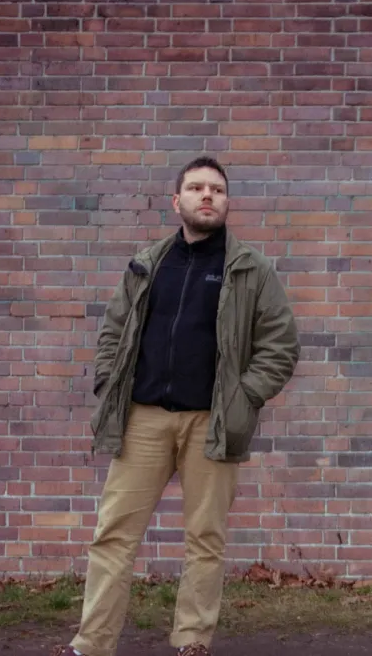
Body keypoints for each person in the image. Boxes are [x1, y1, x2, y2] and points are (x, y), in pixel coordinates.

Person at [50, 155, 301, 656]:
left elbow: (280, 345)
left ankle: (192, 641)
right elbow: (114, 329)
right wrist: (108, 381)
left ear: (227, 203)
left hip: (213, 422)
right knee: (113, 535)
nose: (207, 196)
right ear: (176, 200)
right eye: (196, 188)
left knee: (205, 539)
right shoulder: (148, 263)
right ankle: (91, 645)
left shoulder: (250, 269)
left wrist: (244, 396)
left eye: (217, 190)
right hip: (142, 419)